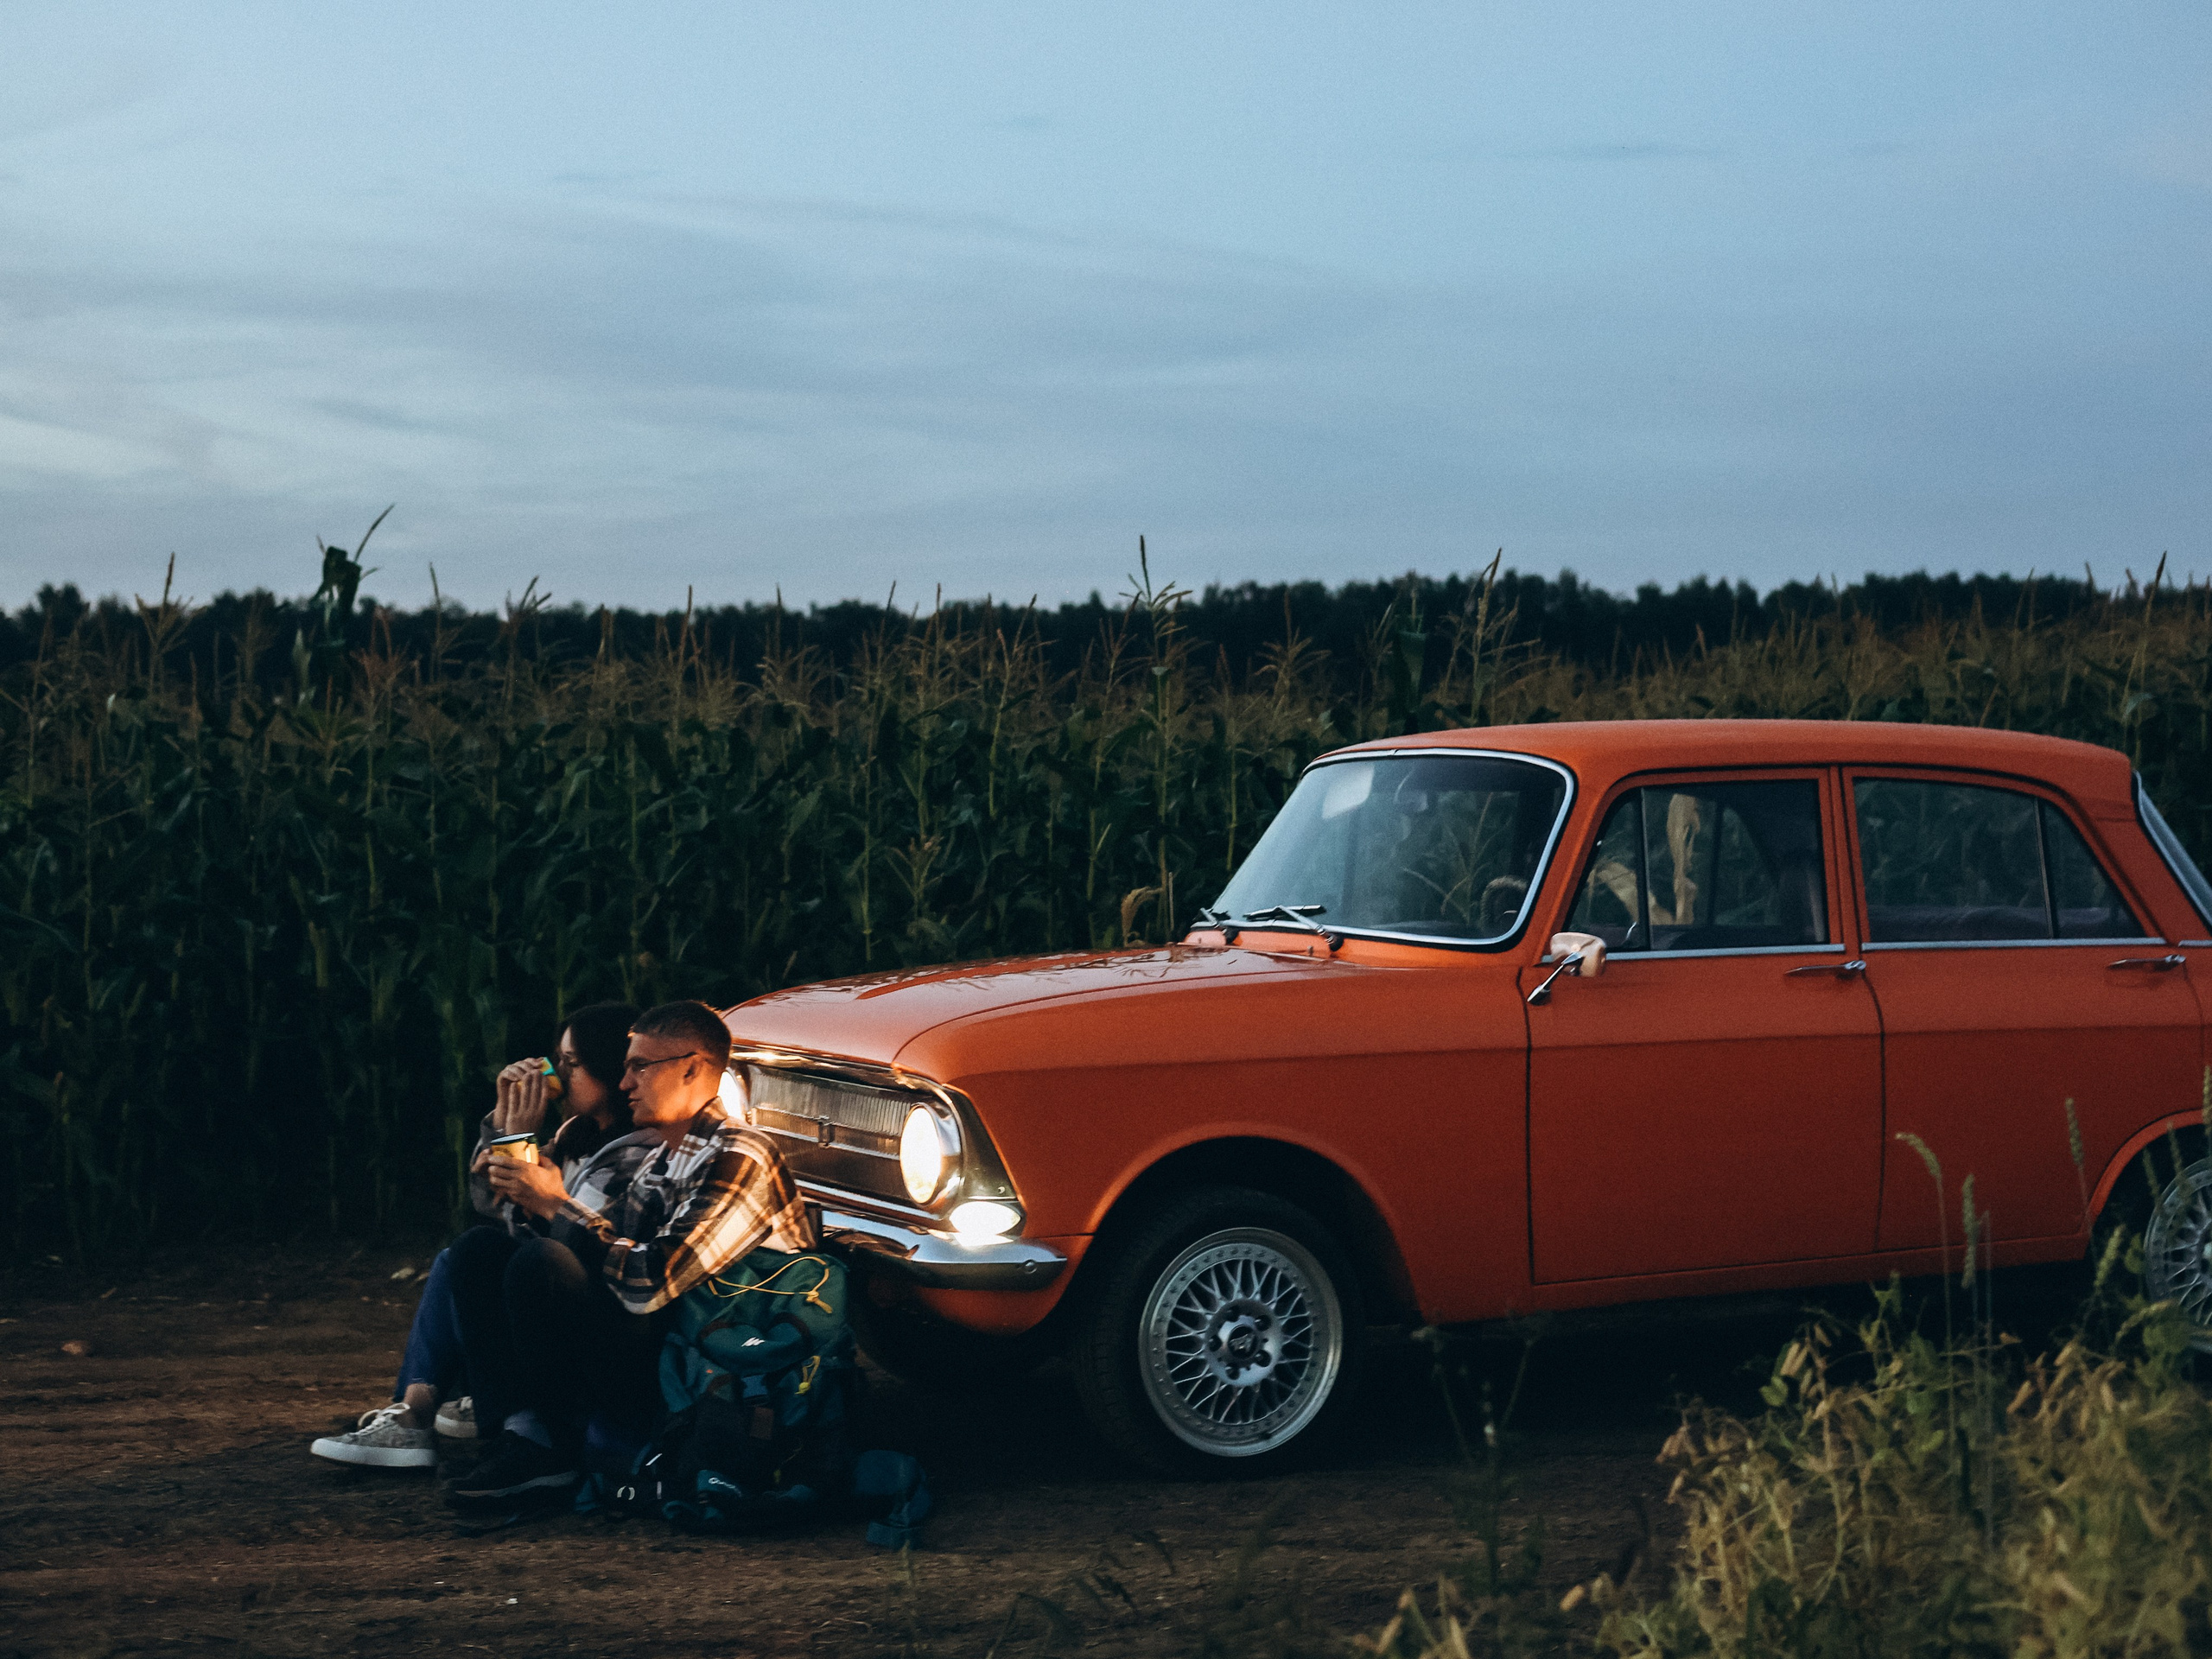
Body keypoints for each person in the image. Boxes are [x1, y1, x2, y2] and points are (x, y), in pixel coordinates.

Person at [442, 999, 817, 1508]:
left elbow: (651, 1281)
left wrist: (555, 1205)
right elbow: (600, 1254)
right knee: (481, 1251)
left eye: (640, 1067)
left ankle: (557, 1447)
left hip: (711, 1367)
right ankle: (528, 1436)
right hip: (662, 1346)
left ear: (691, 1069)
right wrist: (522, 1164)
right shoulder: (661, 1156)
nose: (624, 1084)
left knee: (540, 1263)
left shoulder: (740, 1154)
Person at [309, 1001, 648, 1469]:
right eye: (557, 1060)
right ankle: (418, 1410)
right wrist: (504, 1127)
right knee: (464, 1252)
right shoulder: (578, 1133)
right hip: (540, 1301)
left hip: (584, 1317)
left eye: (572, 1063)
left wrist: (518, 1143)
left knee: (466, 1257)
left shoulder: (636, 1154)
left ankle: (418, 1413)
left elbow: (545, 1239)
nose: (557, 1075)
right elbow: (491, 1201)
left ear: (610, 1069)